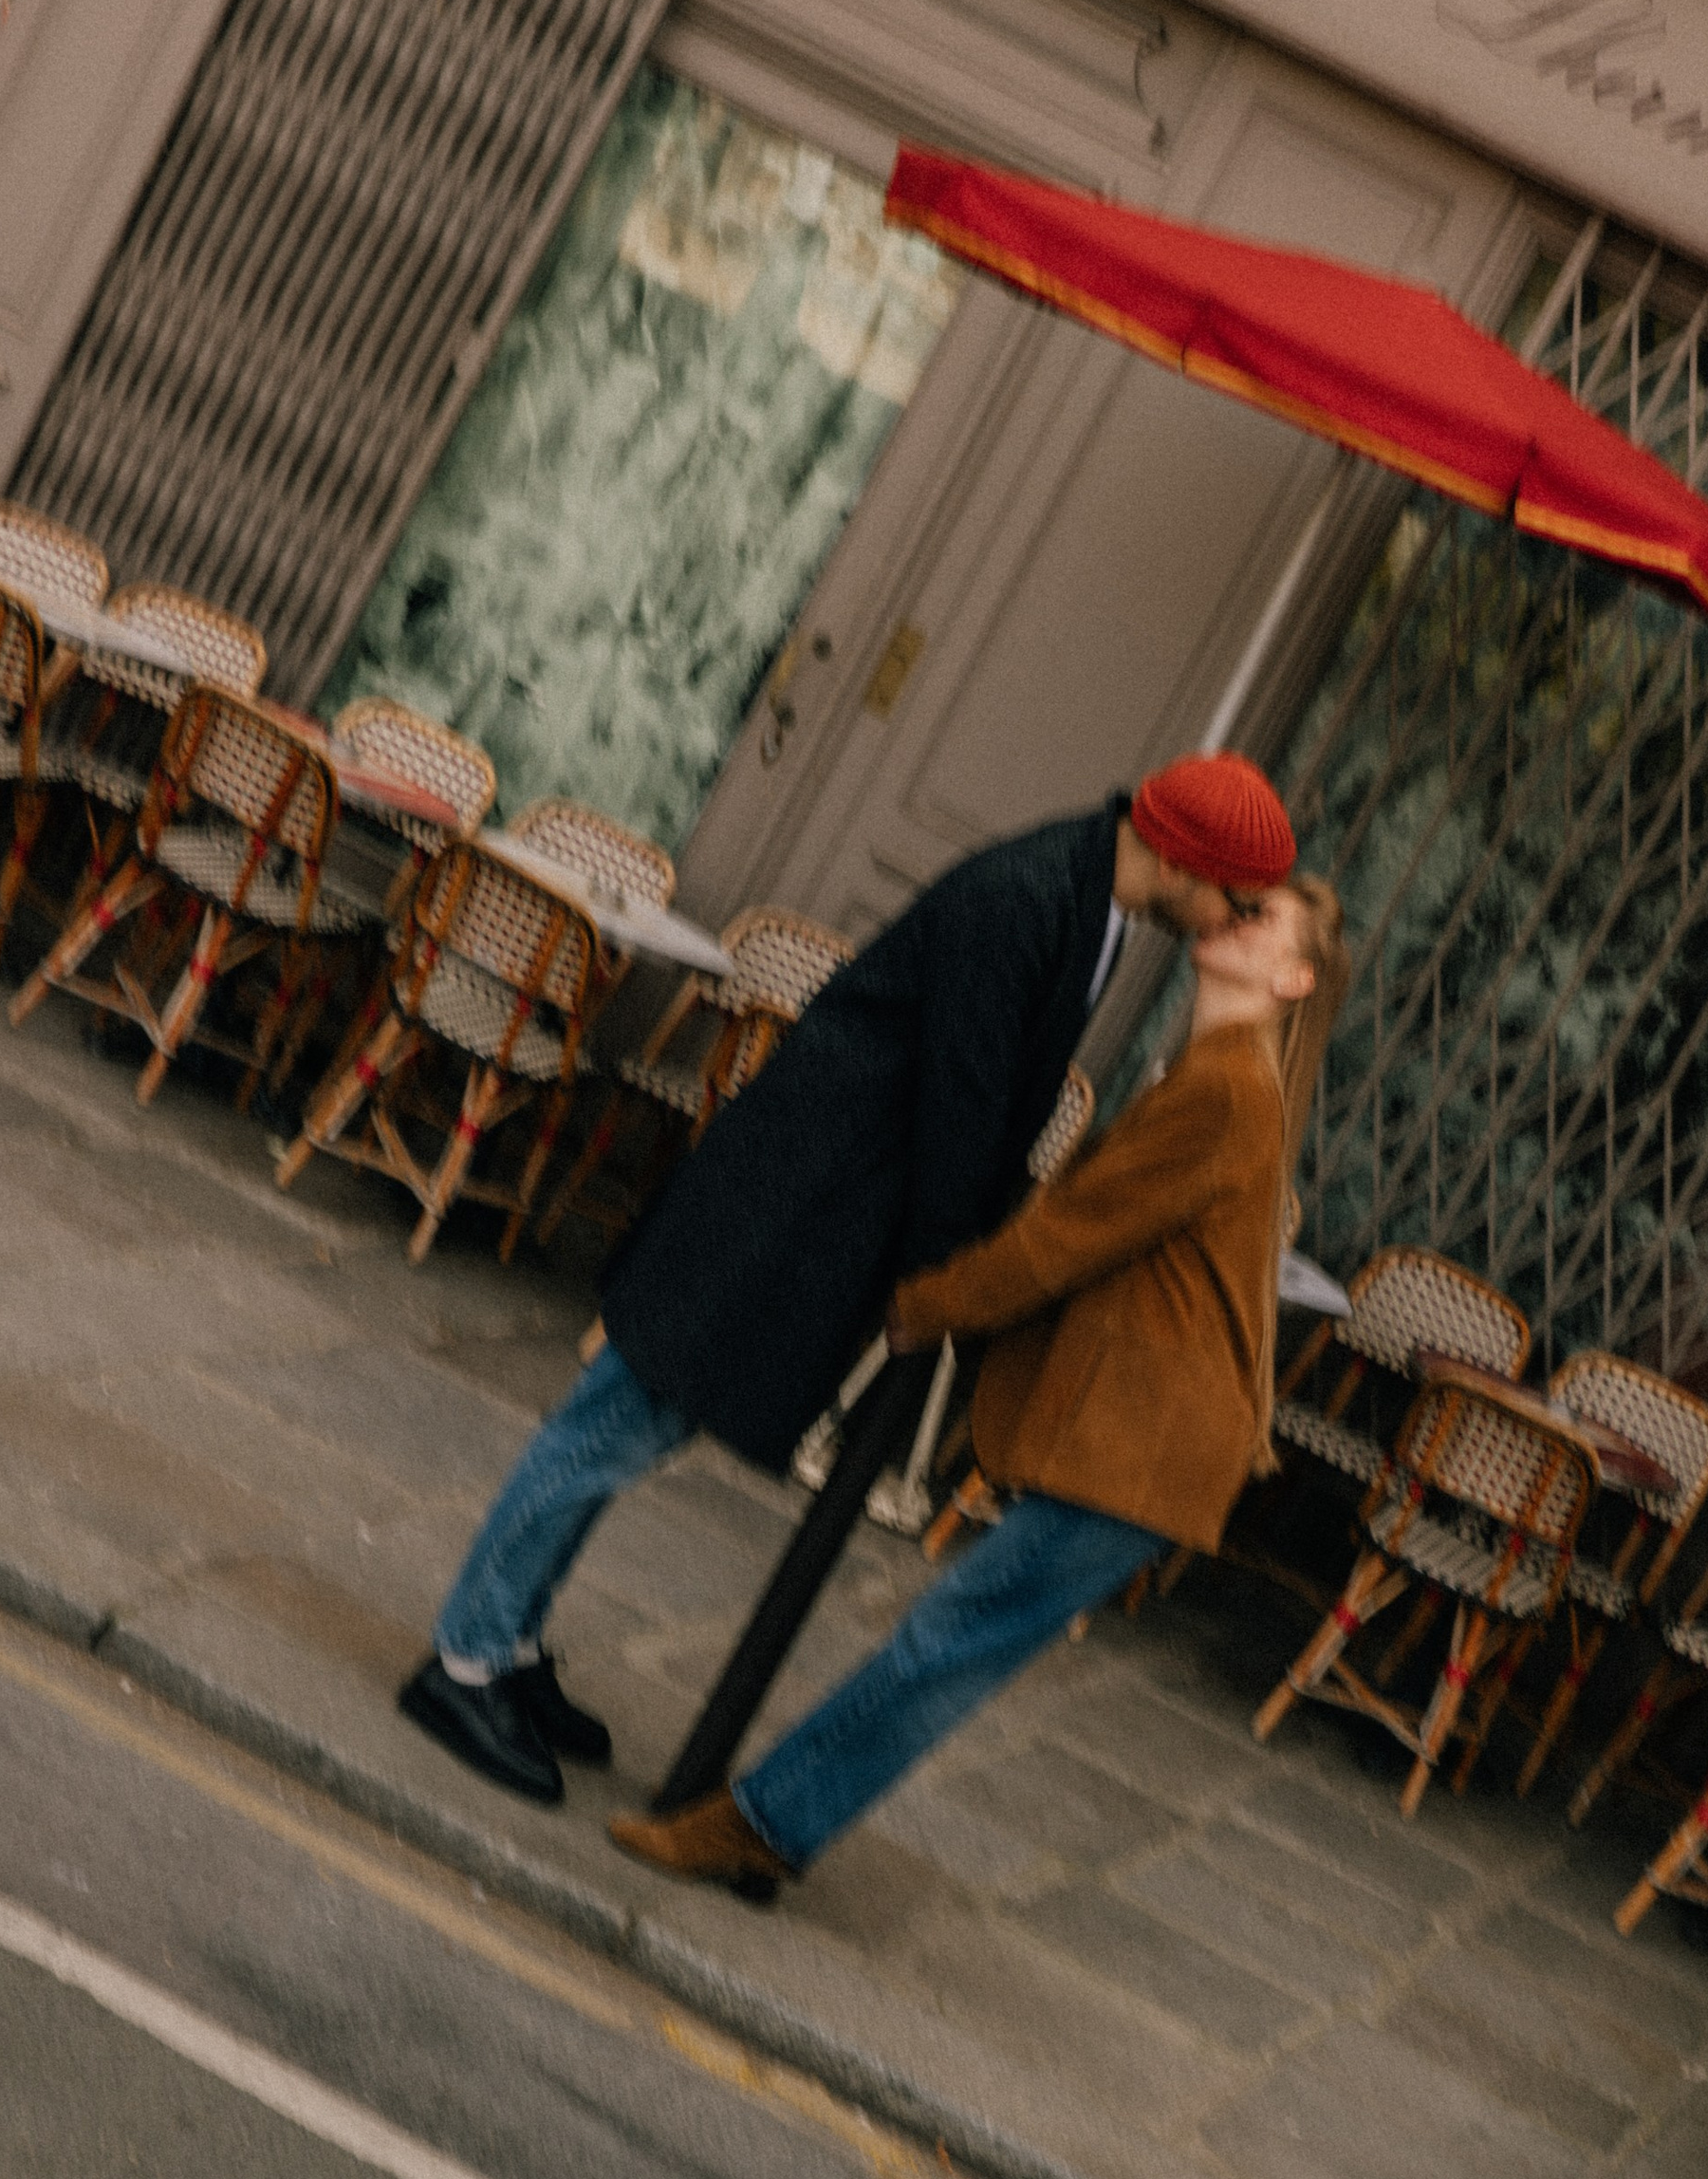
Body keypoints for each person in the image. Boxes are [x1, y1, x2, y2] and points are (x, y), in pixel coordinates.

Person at [396, 753, 1297, 1803]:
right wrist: (948, 1282)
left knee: (639, 1425)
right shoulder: (1029, 894)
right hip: (789, 1199)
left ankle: (505, 1646)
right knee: (615, 1422)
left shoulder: (1082, 897)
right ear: (1189, 863)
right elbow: (961, 1105)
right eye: (1236, 896)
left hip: (812, 1205)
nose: (1229, 919)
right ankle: (462, 1658)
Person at [606, 873, 1347, 1900]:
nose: (1230, 910)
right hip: (1141, 1432)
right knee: (959, 1639)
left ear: (1293, 976)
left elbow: (1066, 1238)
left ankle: (762, 1825)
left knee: (950, 1642)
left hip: (1147, 1440)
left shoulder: (1227, 1091)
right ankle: (769, 1828)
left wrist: (935, 1301)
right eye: (1236, 896)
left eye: (1260, 916)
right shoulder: (1213, 1073)